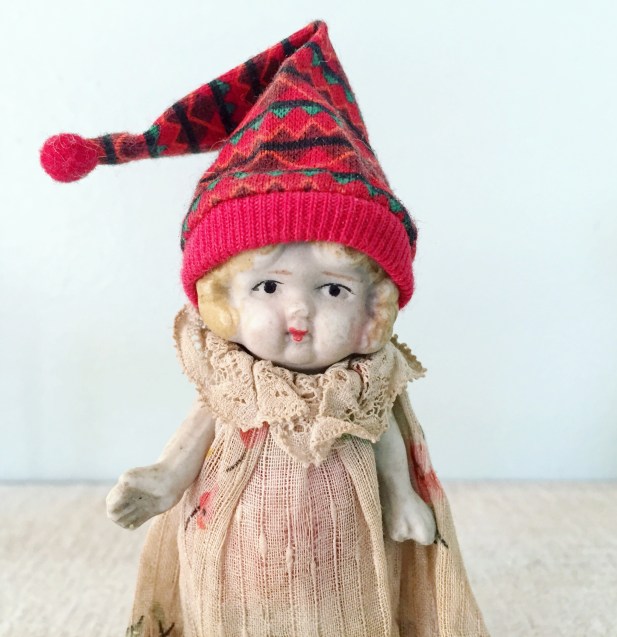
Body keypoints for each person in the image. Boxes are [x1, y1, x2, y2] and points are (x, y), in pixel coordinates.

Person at [41, 20, 488, 637]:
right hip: (235, 546)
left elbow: (383, 432)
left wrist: (402, 495)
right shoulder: (234, 380)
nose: (298, 312)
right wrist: (167, 478)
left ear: (373, 310)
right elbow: (201, 427)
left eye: (333, 289)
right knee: (231, 600)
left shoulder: (363, 383)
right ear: (223, 298)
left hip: (344, 553)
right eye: (269, 287)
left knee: (348, 607)